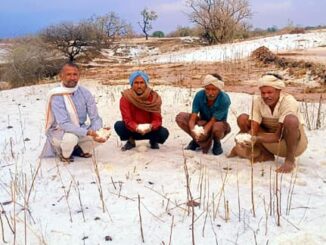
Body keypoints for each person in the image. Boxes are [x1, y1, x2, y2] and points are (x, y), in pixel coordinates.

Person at [236, 73, 308, 173]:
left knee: (291, 120)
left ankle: (290, 160)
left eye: (270, 92)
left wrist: (256, 139)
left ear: (278, 90)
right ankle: (267, 155)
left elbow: (277, 136)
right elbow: (254, 129)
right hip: (269, 139)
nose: (266, 96)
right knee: (243, 118)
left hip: (292, 142)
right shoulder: (258, 101)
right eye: (263, 93)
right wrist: (246, 138)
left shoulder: (288, 101)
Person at [41, 62, 105, 163]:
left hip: (80, 128)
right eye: (68, 74)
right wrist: (87, 132)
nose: (72, 78)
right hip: (60, 132)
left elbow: (95, 117)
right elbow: (64, 124)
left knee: (104, 133)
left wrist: (98, 132)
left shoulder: (84, 92)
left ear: (79, 76)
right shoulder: (56, 95)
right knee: (71, 138)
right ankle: (65, 154)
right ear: (61, 76)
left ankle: (76, 149)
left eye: (75, 74)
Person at [176, 74, 231, 155]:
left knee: (217, 127)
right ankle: (196, 140)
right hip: (202, 123)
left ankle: (217, 142)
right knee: (181, 117)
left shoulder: (224, 99)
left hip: (218, 126)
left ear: (219, 89)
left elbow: (213, 121)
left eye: (213, 89)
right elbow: (193, 116)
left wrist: (203, 132)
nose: (210, 92)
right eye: (207, 89)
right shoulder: (199, 95)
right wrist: (193, 131)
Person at [114, 71, 169, 151]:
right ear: (132, 84)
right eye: (136, 83)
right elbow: (127, 119)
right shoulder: (125, 98)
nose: (139, 86)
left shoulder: (153, 97)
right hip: (133, 130)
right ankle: (131, 140)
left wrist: (150, 127)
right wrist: (136, 127)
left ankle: (153, 141)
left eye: (142, 82)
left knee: (164, 133)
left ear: (146, 83)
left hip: (149, 130)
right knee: (119, 126)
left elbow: (157, 120)